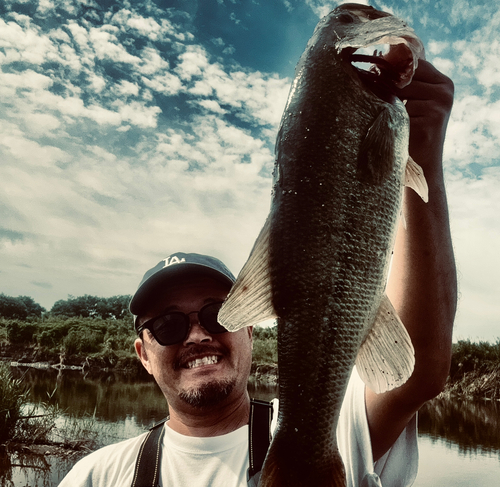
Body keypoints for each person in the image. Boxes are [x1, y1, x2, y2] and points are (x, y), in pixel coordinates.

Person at [58, 59, 456, 487]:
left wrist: (421, 155)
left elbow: (420, 370)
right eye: (169, 326)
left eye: (215, 314)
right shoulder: (95, 476)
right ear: (143, 355)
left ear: (249, 328)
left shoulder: (327, 428)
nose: (197, 335)